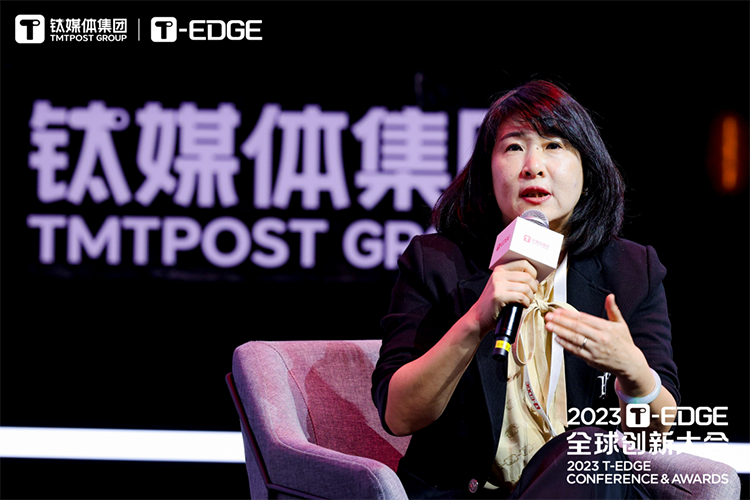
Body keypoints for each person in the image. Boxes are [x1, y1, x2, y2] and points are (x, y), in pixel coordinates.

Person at [371, 80, 680, 499]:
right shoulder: (436, 262)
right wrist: (475, 322)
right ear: (488, 173)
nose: (533, 165)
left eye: (554, 145)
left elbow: (654, 435)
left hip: (583, 489)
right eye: (514, 147)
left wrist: (633, 371)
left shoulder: (631, 270)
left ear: (587, 170)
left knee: (590, 454)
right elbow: (399, 416)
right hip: (466, 493)